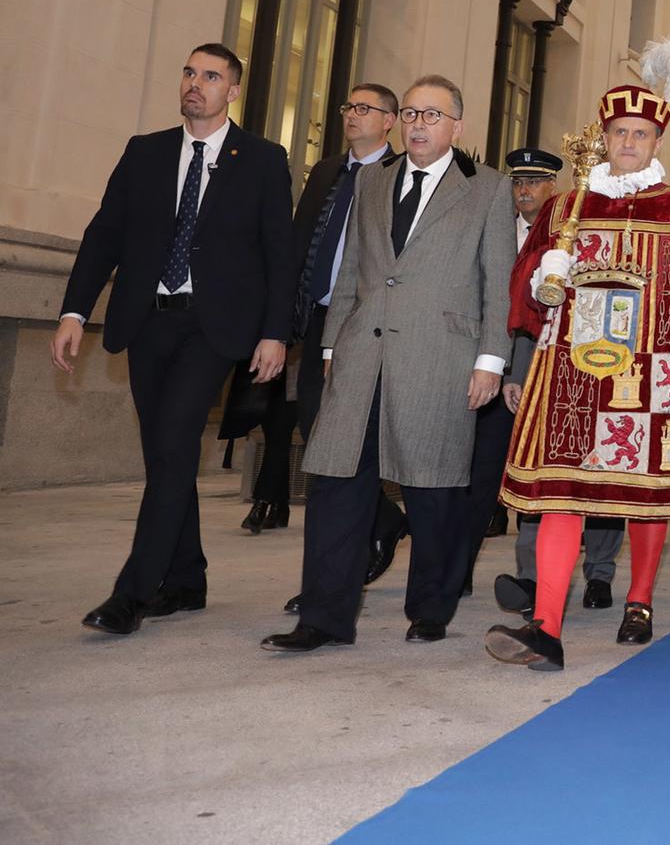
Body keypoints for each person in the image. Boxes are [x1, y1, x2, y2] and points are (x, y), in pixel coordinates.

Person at [485, 44, 670, 670]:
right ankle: (546, 625)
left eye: (640, 133)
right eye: (619, 132)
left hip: (654, 371)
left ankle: (641, 599)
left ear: (657, 141)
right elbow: (524, 291)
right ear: (604, 138)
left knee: (645, 491)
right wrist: (545, 274)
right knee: (561, 492)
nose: (629, 141)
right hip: (572, 372)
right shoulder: (566, 207)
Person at [261, 75, 516, 653]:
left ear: (457, 125)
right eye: (410, 114)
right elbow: (352, 266)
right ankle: (324, 618)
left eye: (432, 115)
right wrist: (331, 347)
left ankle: (431, 606)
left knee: (433, 489)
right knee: (336, 482)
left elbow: (498, 283)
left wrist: (490, 362)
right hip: (360, 354)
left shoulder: (487, 189)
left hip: (440, 357)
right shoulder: (373, 180)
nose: (418, 124)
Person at [56, 44, 293, 636]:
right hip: (147, 321)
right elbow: (104, 234)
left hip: (211, 328)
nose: (196, 84)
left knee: (176, 441)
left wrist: (275, 333)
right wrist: (73, 312)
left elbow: (279, 255)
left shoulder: (262, 159)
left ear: (232, 90)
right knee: (166, 456)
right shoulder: (146, 152)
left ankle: (131, 593)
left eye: (211, 76)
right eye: (190, 72)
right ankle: (187, 579)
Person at [467, 147, 627, 609]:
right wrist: (517, 371)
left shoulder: (612, 222)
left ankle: (599, 573)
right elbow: (527, 310)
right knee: (538, 471)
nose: (524, 191)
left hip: (602, 362)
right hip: (545, 366)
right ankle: (530, 577)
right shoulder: (551, 225)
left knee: (601, 474)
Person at [237, 83, 399, 538]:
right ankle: (384, 522)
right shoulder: (327, 171)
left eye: (365, 109)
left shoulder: (399, 175)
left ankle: (363, 534)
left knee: (349, 438)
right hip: (315, 319)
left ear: (389, 120)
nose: (352, 115)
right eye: (349, 106)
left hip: (364, 323)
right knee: (313, 428)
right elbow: (298, 242)